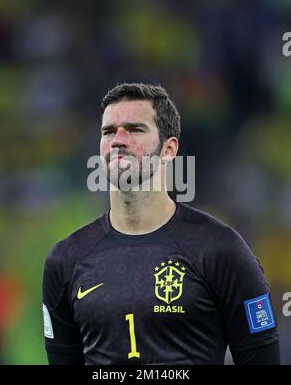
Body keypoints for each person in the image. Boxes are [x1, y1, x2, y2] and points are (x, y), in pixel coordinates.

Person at [42, 83, 280, 365]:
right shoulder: (66, 259)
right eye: (108, 131)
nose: (118, 139)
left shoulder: (220, 250)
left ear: (168, 149)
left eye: (134, 129)